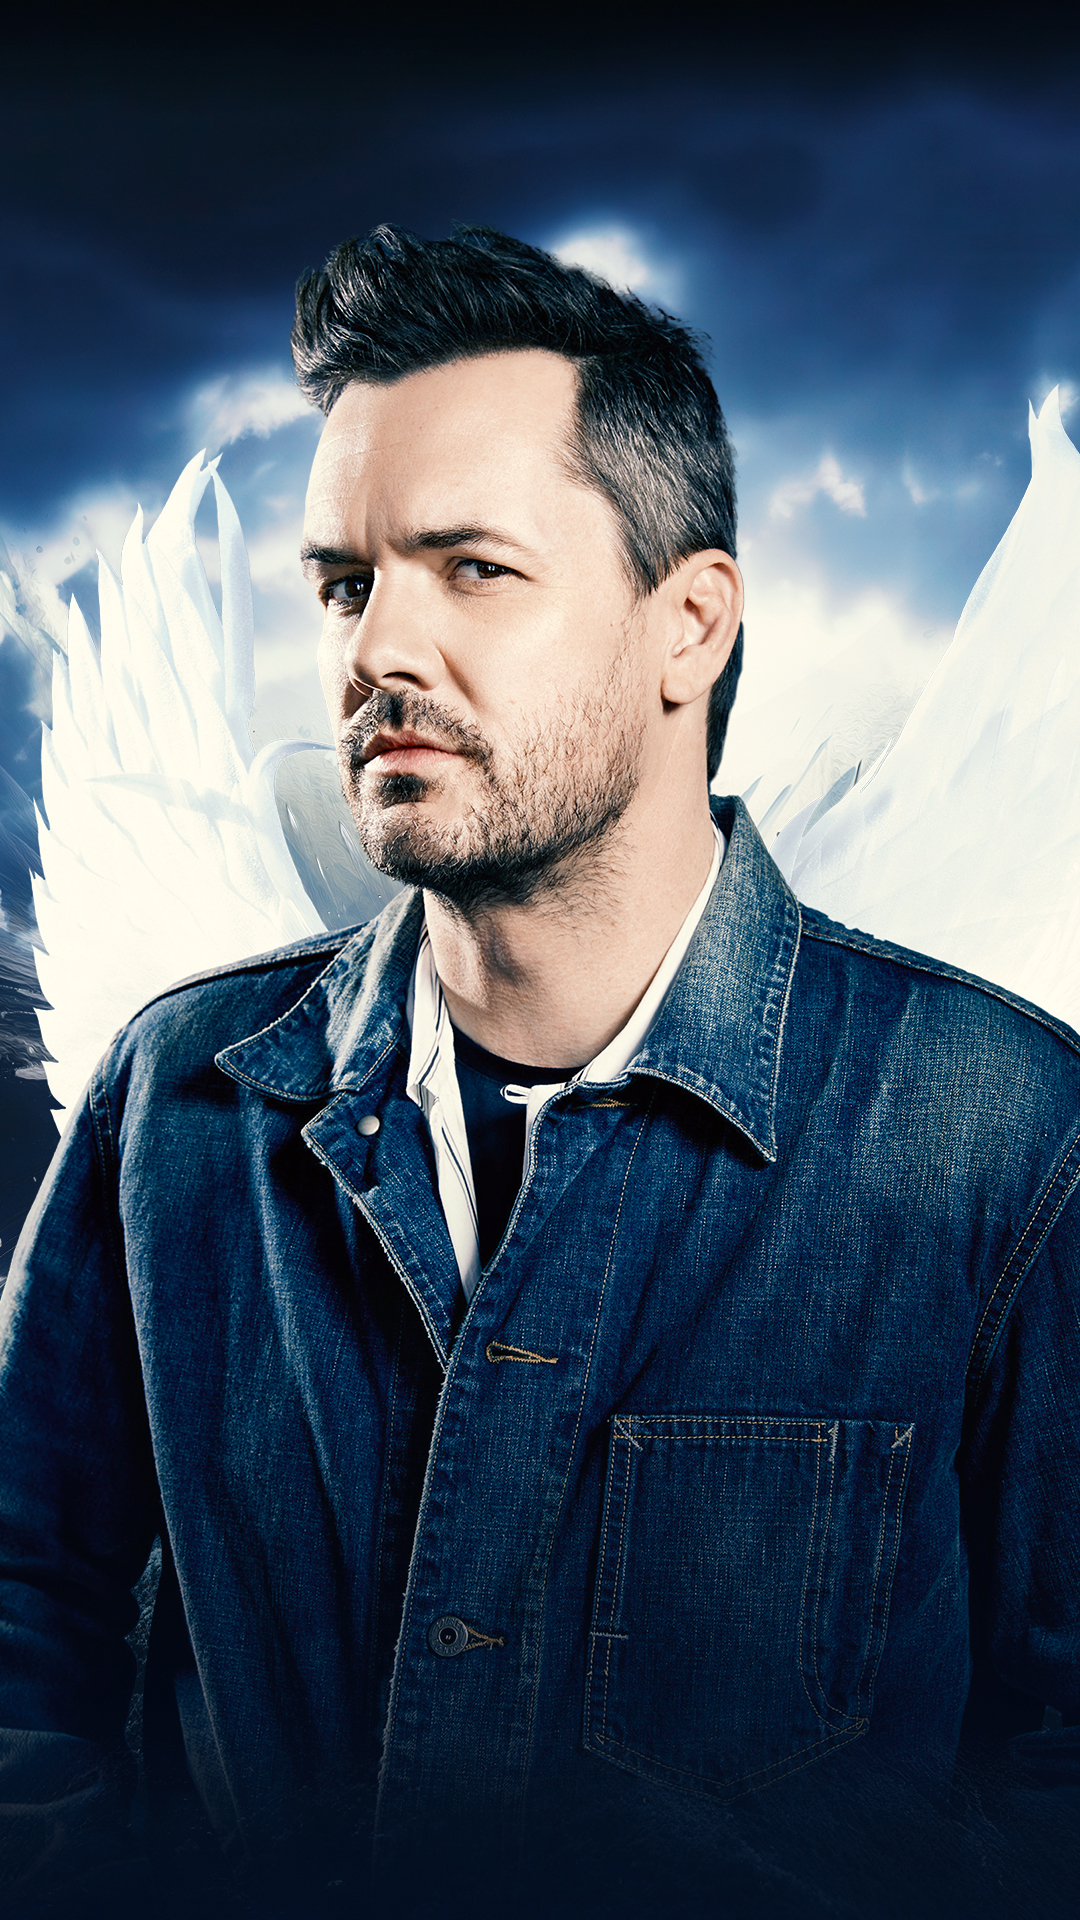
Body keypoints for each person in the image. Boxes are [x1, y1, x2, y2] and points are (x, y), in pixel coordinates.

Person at [1, 225, 1079, 1920]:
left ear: (688, 625)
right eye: (345, 583)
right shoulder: (180, 1106)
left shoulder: (1002, 1130)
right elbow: (22, 1615)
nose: (377, 651)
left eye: (472, 570)